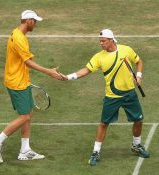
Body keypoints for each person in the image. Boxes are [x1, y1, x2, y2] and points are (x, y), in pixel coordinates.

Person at [61, 29, 150, 166]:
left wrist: (138, 76)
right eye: (100, 41)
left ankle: (136, 145)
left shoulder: (126, 50)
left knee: (138, 120)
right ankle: (96, 151)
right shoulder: (99, 57)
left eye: (103, 41)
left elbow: (139, 62)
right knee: (104, 124)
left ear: (111, 40)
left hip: (129, 94)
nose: (101, 43)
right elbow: (86, 70)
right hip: (112, 96)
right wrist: (68, 77)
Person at [0, 10, 64, 163]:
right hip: (17, 83)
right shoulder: (20, 39)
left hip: (21, 80)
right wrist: (49, 72)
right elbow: (28, 62)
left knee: (28, 114)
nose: (36, 24)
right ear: (28, 21)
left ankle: (25, 150)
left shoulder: (18, 34)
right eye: (35, 21)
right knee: (25, 116)